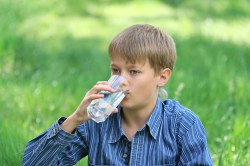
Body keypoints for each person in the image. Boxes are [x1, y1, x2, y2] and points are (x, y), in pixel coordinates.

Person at [23, 24, 213, 165]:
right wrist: (74, 120)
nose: (121, 80)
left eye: (134, 72)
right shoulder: (96, 122)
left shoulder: (183, 125)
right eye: (115, 70)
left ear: (162, 77)